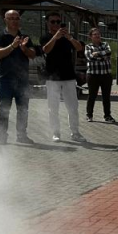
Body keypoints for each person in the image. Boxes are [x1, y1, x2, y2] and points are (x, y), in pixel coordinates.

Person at [0, 9, 38, 145]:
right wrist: (12, 46)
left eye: (17, 18)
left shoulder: (25, 37)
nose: (14, 21)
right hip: (5, 79)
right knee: (4, 108)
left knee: (23, 109)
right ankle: (2, 135)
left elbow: (33, 55)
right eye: (11, 18)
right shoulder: (0, 36)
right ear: (5, 20)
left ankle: (21, 135)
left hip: (22, 80)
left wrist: (24, 48)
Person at [40, 14, 84, 143]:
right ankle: (56, 133)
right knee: (53, 107)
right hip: (52, 78)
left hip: (68, 76)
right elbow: (46, 50)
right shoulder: (45, 37)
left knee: (73, 107)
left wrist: (69, 37)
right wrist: (55, 37)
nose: (56, 24)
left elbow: (79, 48)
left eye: (58, 22)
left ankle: (75, 132)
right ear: (47, 23)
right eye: (53, 21)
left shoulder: (67, 37)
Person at [83, 27, 115, 123]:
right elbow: (90, 57)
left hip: (106, 75)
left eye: (98, 34)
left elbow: (109, 53)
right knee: (92, 96)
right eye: (95, 34)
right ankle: (89, 115)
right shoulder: (88, 47)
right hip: (93, 75)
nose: (97, 36)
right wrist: (102, 57)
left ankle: (107, 115)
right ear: (90, 36)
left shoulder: (105, 44)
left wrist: (97, 53)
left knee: (106, 97)